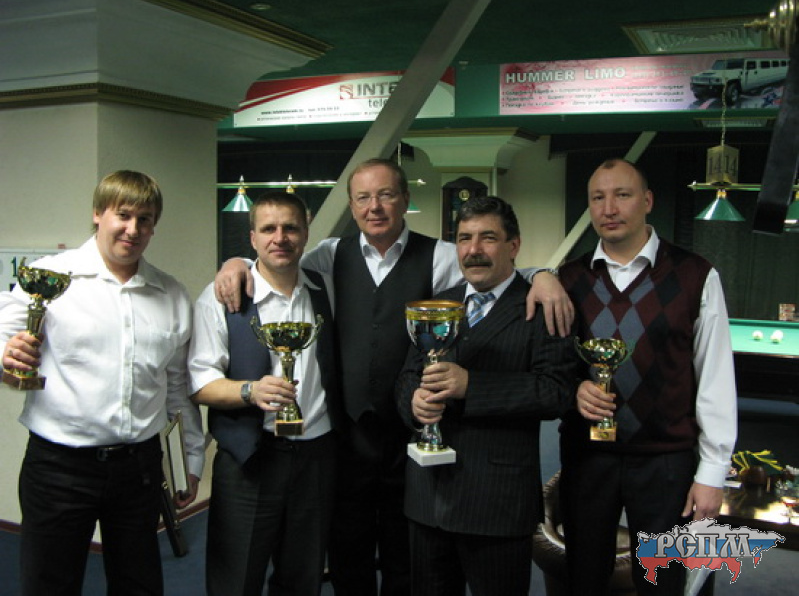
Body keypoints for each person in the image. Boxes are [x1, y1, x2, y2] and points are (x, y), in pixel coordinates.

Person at [214, 158, 573, 596]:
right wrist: (235, 261)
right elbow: (279, 259)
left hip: (411, 442)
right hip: (347, 440)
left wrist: (544, 276)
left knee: (408, 561)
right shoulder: (330, 255)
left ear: (405, 199)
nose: (375, 207)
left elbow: (487, 269)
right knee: (348, 557)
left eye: (386, 195)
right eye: (363, 198)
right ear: (351, 205)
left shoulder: (441, 255)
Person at [0, 170, 204, 596]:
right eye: (123, 215)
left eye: (145, 219)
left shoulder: (171, 294)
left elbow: (176, 388)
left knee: (138, 585)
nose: (133, 229)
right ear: (98, 213)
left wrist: (191, 459)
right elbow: (3, 337)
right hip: (59, 467)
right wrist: (6, 353)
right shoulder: (49, 277)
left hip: (139, 469)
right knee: (50, 586)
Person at [557, 158, 737, 595]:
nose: (609, 208)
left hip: (666, 461)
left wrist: (713, 472)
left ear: (648, 201)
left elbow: (714, 377)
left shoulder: (695, 275)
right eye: (598, 198)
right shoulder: (569, 278)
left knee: (663, 583)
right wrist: (574, 389)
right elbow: (552, 367)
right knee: (583, 581)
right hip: (587, 458)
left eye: (622, 195)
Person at [395, 194, 577, 596]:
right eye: (464, 238)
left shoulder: (541, 306)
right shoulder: (438, 305)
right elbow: (407, 376)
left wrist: (471, 386)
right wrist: (414, 403)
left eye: (488, 238)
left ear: (514, 245)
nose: (473, 250)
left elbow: (556, 392)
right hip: (427, 498)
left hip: (497, 503)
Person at [188, 191, 343, 596]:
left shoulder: (326, 289)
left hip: (316, 457)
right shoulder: (221, 297)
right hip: (250, 459)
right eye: (269, 228)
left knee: (303, 578)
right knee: (235, 579)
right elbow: (200, 383)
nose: (280, 238)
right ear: (252, 238)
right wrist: (249, 390)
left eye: (291, 228)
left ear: (306, 233)